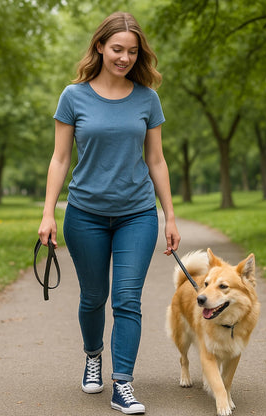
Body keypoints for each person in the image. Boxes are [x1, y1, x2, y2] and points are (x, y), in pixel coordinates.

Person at [38, 11, 180, 414]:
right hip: (85, 214)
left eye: (133, 51)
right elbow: (60, 159)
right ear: (99, 46)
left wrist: (169, 216)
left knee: (127, 299)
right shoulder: (73, 96)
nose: (125, 58)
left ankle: (123, 384)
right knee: (93, 298)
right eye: (117, 49)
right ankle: (93, 355)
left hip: (137, 213)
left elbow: (157, 161)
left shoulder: (147, 99)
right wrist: (48, 214)